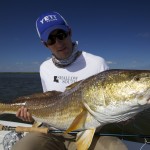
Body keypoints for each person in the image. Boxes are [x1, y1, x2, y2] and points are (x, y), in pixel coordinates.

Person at [12, 11, 128, 150]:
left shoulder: (97, 63)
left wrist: (125, 113)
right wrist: (31, 117)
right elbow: (48, 100)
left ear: (69, 32)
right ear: (45, 44)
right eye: (51, 40)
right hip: (51, 133)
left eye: (61, 35)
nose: (58, 43)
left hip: (92, 132)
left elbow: (110, 103)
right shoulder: (45, 68)